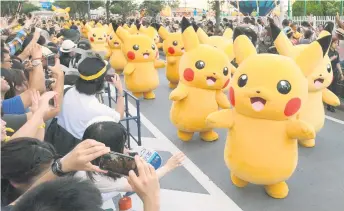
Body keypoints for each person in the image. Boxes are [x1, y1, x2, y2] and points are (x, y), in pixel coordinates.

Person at [75, 117, 185, 203]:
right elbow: (141, 183)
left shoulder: (88, 156)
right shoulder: (98, 176)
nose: (126, 149)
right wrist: (168, 166)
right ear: (109, 150)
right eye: (123, 145)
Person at [45, 53, 124, 155]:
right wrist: (120, 91)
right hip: (76, 150)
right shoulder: (98, 109)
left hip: (56, 140)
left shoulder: (66, 90)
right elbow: (119, 116)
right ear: (101, 81)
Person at [328, 37, 344, 112]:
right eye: (335, 43)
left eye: (337, 43)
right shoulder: (328, 51)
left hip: (335, 73)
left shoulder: (336, 53)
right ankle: (329, 105)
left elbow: (338, 63)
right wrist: (332, 58)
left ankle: (331, 105)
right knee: (329, 90)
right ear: (331, 43)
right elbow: (325, 61)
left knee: (334, 90)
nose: (336, 44)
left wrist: (341, 73)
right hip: (328, 73)